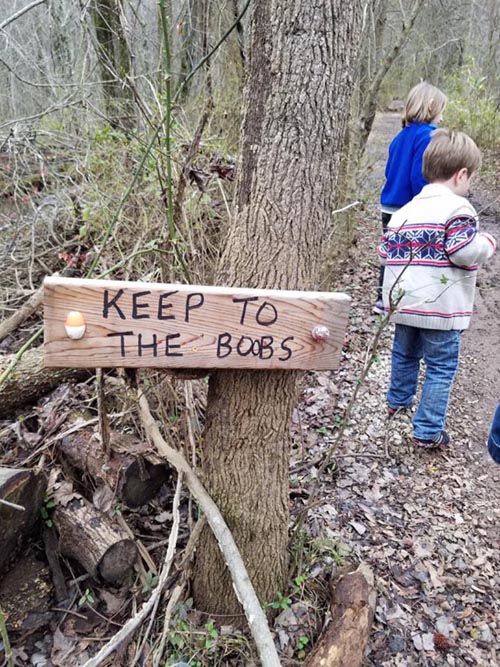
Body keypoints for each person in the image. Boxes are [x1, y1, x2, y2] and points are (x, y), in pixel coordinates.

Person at [379, 128, 496, 449]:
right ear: (460, 175)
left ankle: (397, 401)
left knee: (404, 355)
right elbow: (462, 251)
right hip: (439, 307)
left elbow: (384, 254)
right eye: (470, 179)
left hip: (404, 303)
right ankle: (427, 430)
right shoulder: (458, 210)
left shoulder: (403, 213)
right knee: (440, 367)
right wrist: (486, 242)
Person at [373, 81, 448, 314]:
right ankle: (402, 300)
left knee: (392, 251)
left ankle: (382, 299)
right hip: (409, 206)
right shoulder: (427, 136)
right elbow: (420, 175)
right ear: (431, 106)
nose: (443, 118)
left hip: (389, 205)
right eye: (442, 111)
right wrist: (429, 203)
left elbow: (389, 171)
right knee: (410, 254)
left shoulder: (401, 136)